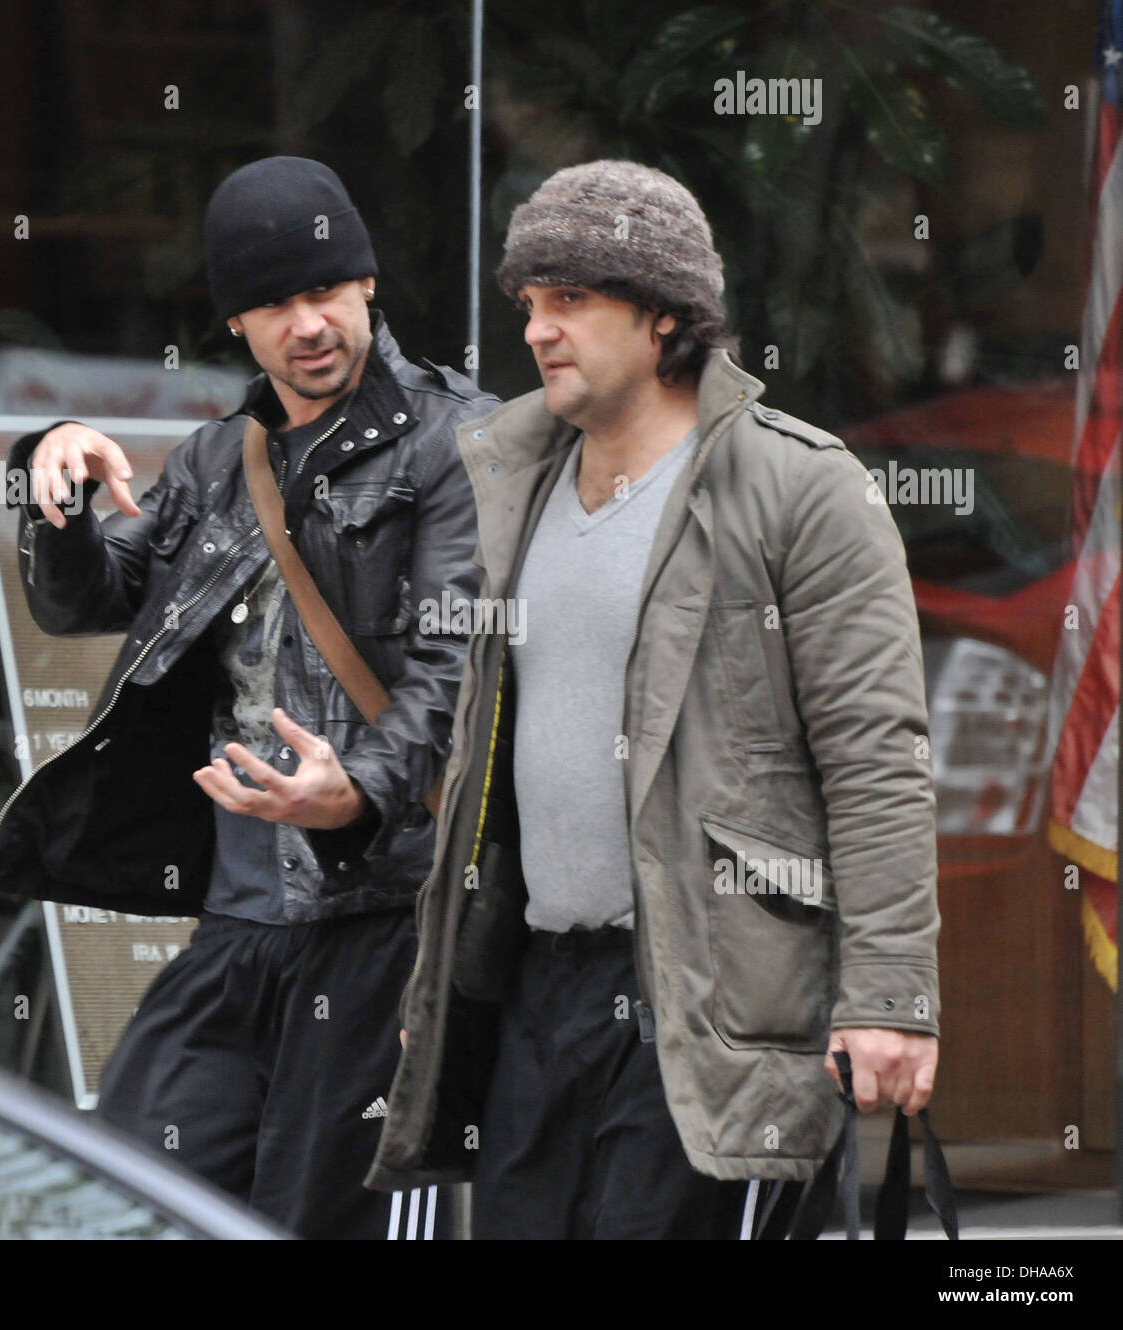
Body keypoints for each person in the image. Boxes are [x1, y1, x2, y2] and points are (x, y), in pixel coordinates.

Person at [367, 160, 941, 1240]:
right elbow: (480, 768)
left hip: (713, 1000)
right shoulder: (513, 481)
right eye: (530, 304)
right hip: (540, 987)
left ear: (666, 315)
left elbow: (877, 762)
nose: (539, 330)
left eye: (572, 299)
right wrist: (434, 993)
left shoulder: (798, 488)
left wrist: (889, 999)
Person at [0, 156, 496, 1239]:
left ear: (368, 288)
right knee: (127, 1197)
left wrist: (351, 793)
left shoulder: (461, 443)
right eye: (272, 303)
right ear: (236, 323)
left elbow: (457, 671)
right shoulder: (225, 458)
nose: (305, 323)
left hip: (381, 923)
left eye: (325, 291)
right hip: (237, 920)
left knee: (329, 1218)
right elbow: (93, 598)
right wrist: (54, 475)